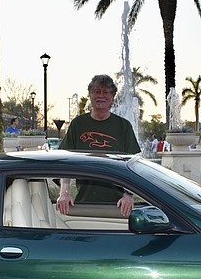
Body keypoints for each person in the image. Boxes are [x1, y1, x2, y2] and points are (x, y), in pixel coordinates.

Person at [56, 74, 140, 217]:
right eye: (97, 91)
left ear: (112, 97)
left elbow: (133, 163)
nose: (101, 96)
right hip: (83, 204)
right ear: (90, 95)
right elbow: (65, 162)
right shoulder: (78, 124)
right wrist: (64, 193)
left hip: (118, 207)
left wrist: (128, 195)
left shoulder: (123, 126)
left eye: (106, 92)